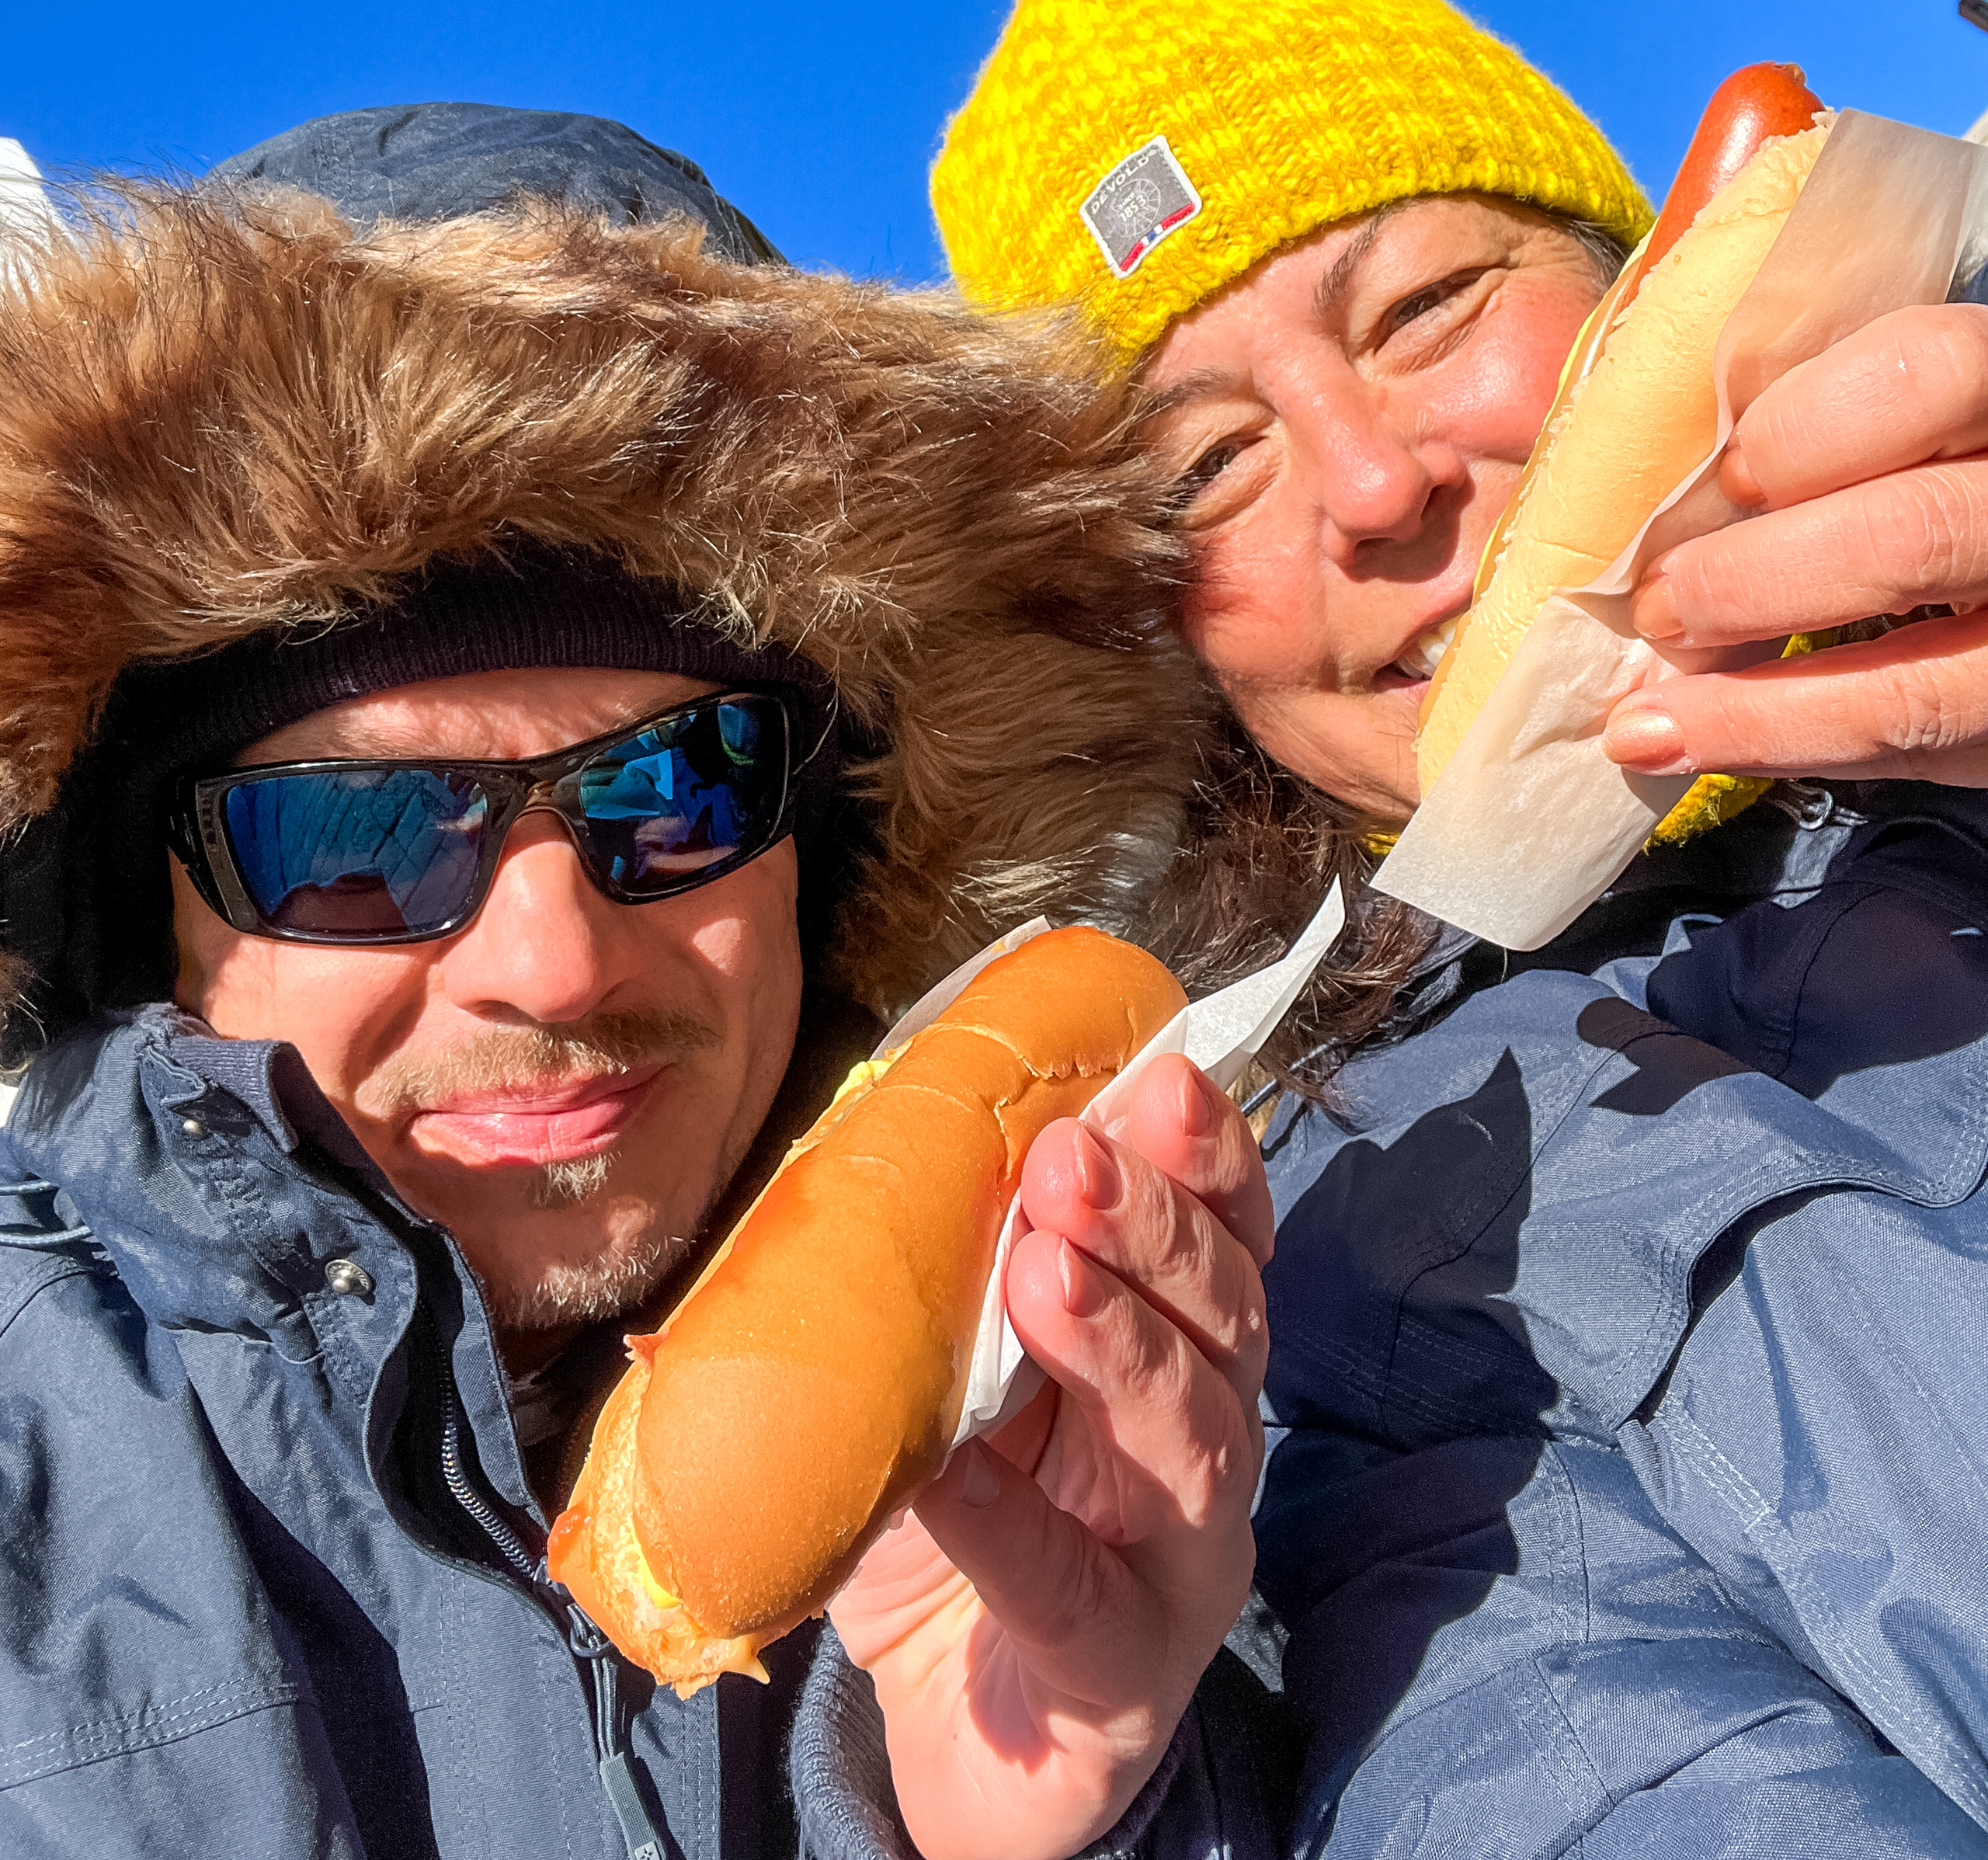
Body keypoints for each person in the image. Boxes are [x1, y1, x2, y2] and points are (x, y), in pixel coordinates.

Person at [0, 107, 1283, 1860]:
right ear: (145, 910)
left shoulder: (1066, 1392)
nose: (553, 962)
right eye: (358, 832)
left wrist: (1047, 1820)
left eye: (677, 791)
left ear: (826, 853)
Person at [933, 2, 1988, 1852]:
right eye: (1204, 466)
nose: (1373, 485)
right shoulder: (1318, 1265)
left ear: (1635, 277)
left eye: (1424, 307)